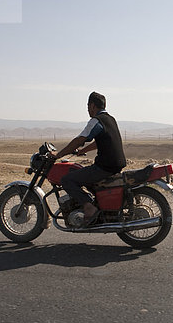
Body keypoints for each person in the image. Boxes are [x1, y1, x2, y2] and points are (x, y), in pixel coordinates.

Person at [50, 92, 126, 226]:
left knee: (67, 179)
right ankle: (97, 206)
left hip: (104, 167)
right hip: (116, 164)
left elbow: (80, 139)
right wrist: (83, 151)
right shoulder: (110, 119)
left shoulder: (96, 121)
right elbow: (100, 141)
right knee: (85, 178)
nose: (87, 110)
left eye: (87, 106)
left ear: (92, 106)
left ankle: (89, 208)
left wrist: (58, 154)